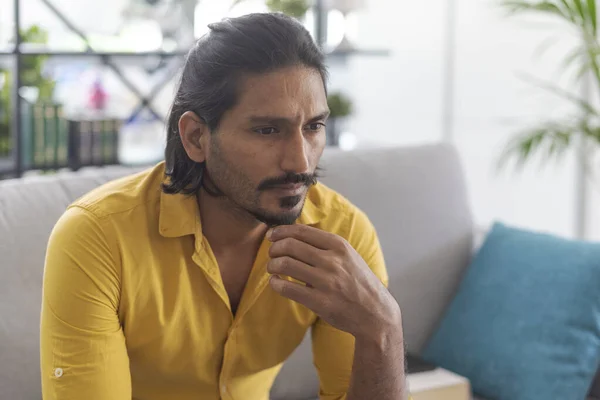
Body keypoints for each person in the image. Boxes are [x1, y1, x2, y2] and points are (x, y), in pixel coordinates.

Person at [40, 12, 408, 400]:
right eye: (267, 130)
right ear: (197, 137)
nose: (301, 163)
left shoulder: (341, 234)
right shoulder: (98, 237)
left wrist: (384, 326)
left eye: (313, 127)